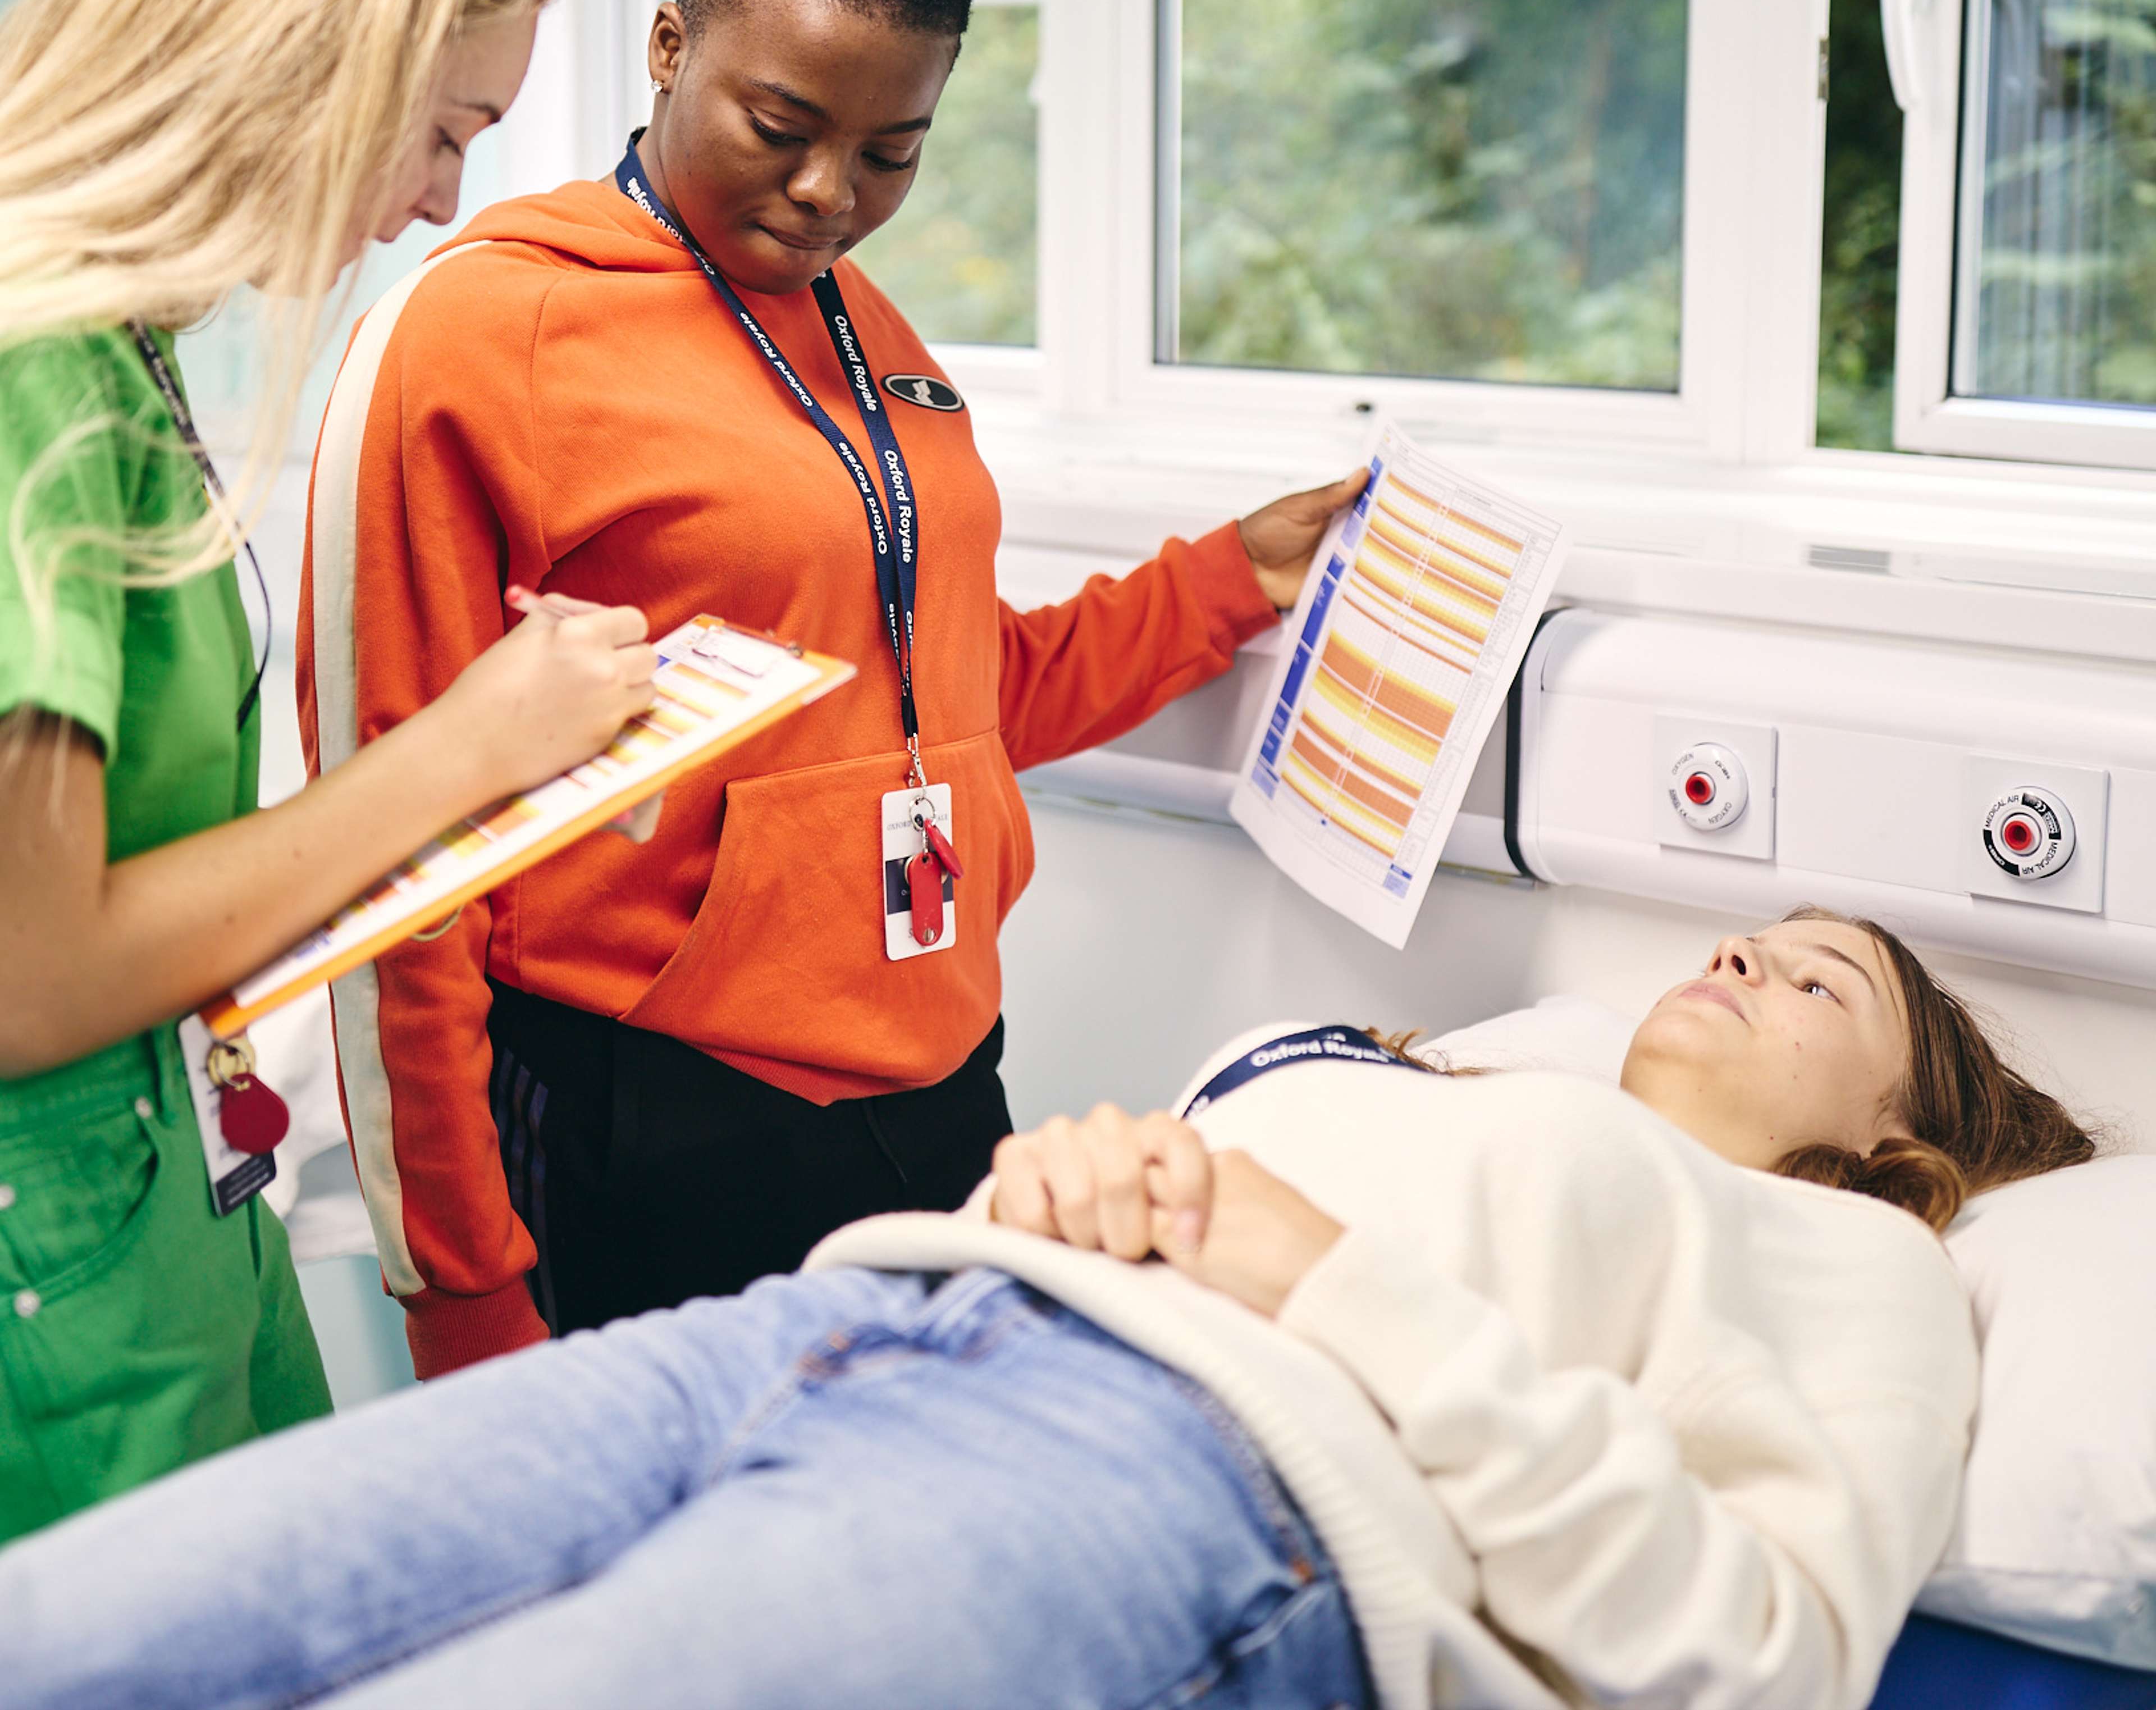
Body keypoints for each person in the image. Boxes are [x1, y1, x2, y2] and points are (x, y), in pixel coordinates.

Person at [0, 909, 2098, 1709]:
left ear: (1899, 1127)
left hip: (1175, 1477)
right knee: (77, 1635)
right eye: (1746, 934)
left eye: (1818, 977)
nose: (1740, 955)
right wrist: (1075, 1177)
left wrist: (1314, 1269)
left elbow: (1758, 1659)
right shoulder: (1430, 1075)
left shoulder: (1861, 1262)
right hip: (838, 1328)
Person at [304, 0, 1367, 1379]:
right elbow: (388, 844)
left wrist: (1236, 579)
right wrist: (459, 1285)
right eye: (780, 124)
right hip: (648, 1110)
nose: (827, 193)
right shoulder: (486, 329)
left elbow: (949, 692)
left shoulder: (870, 331)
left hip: (938, 1081)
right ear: (670, 47)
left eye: (891, 153)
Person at [0, 0, 660, 1543]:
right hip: (59, 1290)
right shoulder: (31, 366)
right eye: (442, 130)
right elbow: (28, 975)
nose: (443, 201)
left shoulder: (118, 345)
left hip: (168, 1213)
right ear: (311, 60)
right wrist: (463, 749)